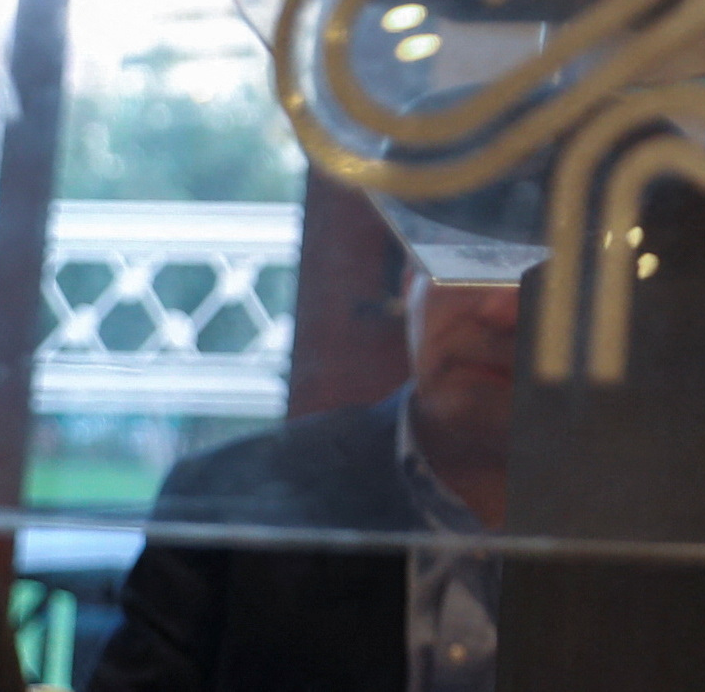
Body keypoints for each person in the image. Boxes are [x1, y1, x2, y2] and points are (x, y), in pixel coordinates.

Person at [92, 275, 515, 692]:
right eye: (474, 267)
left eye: (552, 285)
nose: (502, 310)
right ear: (409, 280)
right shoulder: (225, 496)